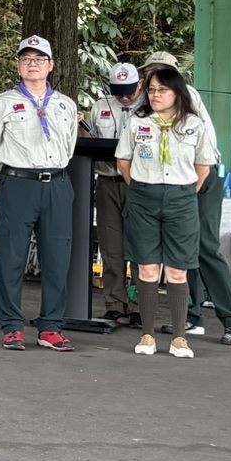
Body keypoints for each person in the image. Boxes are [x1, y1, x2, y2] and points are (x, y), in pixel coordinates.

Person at [143, 49, 231, 345]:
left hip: (200, 177)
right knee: (181, 248)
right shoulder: (151, 103)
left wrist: (191, 188)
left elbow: (194, 150)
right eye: (150, 72)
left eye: (161, 72)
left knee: (204, 247)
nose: (154, 79)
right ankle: (192, 315)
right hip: (177, 181)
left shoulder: (184, 94)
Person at [0, 35, 79, 353]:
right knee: (11, 256)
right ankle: (12, 326)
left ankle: (51, 327)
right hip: (18, 183)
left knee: (57, 256)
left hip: (57, 184)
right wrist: (13, 176)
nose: (32, 63)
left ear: (51, 65)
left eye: (39, 59)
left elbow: (69, 145)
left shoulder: (66, 105)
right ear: (18, 65)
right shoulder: (2, 103)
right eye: (26, 58)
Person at [119, 62, 217, 358]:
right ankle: (147, 334)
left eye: (162, 90)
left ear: (177, 92)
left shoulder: (193, 124)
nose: (155, 95)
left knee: (177, 270)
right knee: (147, 266)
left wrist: (182, 193)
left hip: (181, 199)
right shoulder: (138, 122)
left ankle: (179, 337)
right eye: (151, 90)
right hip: (144, 196)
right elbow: (124, 161)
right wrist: (141, 188)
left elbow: (203, 167)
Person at [83, 61, 140, 323]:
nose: (125, 97)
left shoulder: (150, 106)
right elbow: (91, 137)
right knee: (111, 246)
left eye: (129, 90)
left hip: (138, 184)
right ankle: (115, 303)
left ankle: (141, 305)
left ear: (140, 84)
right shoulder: (101, 106)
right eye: (119, 91)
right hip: (107, 180)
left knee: (140, 247)